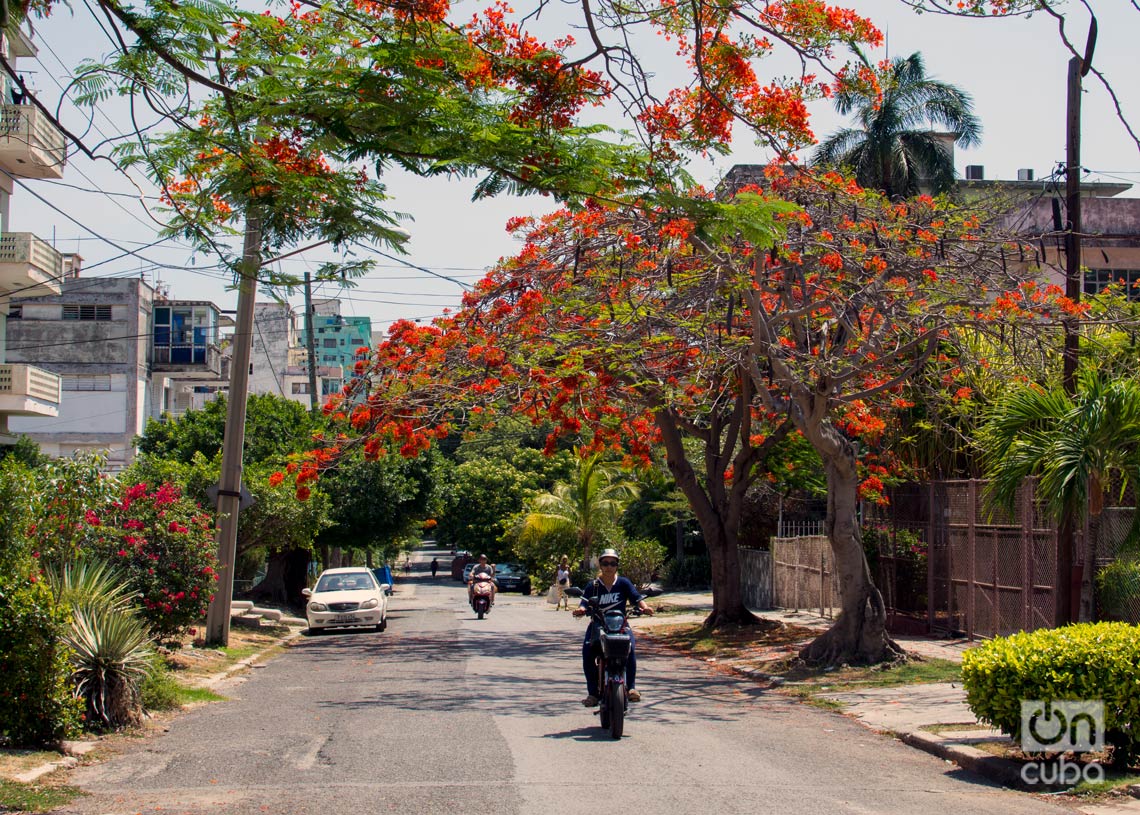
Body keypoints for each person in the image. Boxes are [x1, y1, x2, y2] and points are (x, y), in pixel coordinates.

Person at [572, 548, 653, 707]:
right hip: (598, 626)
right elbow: (584, 603)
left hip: (620, 625)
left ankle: (631, 688)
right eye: (605, 563)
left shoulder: (623, 583)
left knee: (630, 651)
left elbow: (636, 598)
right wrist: (581, 610)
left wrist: (645, 607)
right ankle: (593, 694)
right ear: (600, 565)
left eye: (613, 563)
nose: (609, 566)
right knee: (588, 653)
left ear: (617, 565)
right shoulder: (593, 585)